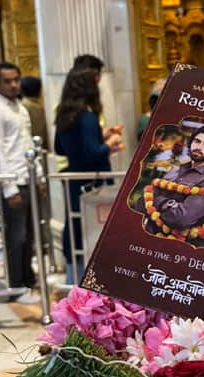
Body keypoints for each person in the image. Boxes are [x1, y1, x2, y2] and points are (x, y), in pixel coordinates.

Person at [0, 62, 40, 303]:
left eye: (16, 79)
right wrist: (9, 187)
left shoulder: (20, 107)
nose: (14, 84)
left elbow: (28, 145)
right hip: (12, 180)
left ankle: (28, 279)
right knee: (16, 238)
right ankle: (15, 288)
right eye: (7, 81)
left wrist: (40, 177)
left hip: (29, 177)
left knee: (30, 236)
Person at [53, 70, 123, 284]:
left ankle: (72, 277)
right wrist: (111, 142)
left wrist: (99, 139)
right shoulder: (88, 116)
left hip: (74, 179)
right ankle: (96, 281)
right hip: (93, 183)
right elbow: (93, 153)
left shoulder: (64, 115)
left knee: (73, 225)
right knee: (96, 230)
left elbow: (60, 149)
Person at [133, 125, 204, 232]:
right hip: (147, 231)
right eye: (197, 141)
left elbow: (181, 218)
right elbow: (140, 203)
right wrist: (167, 204)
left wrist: (157, 202)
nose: (199, 147)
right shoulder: (175, 170)